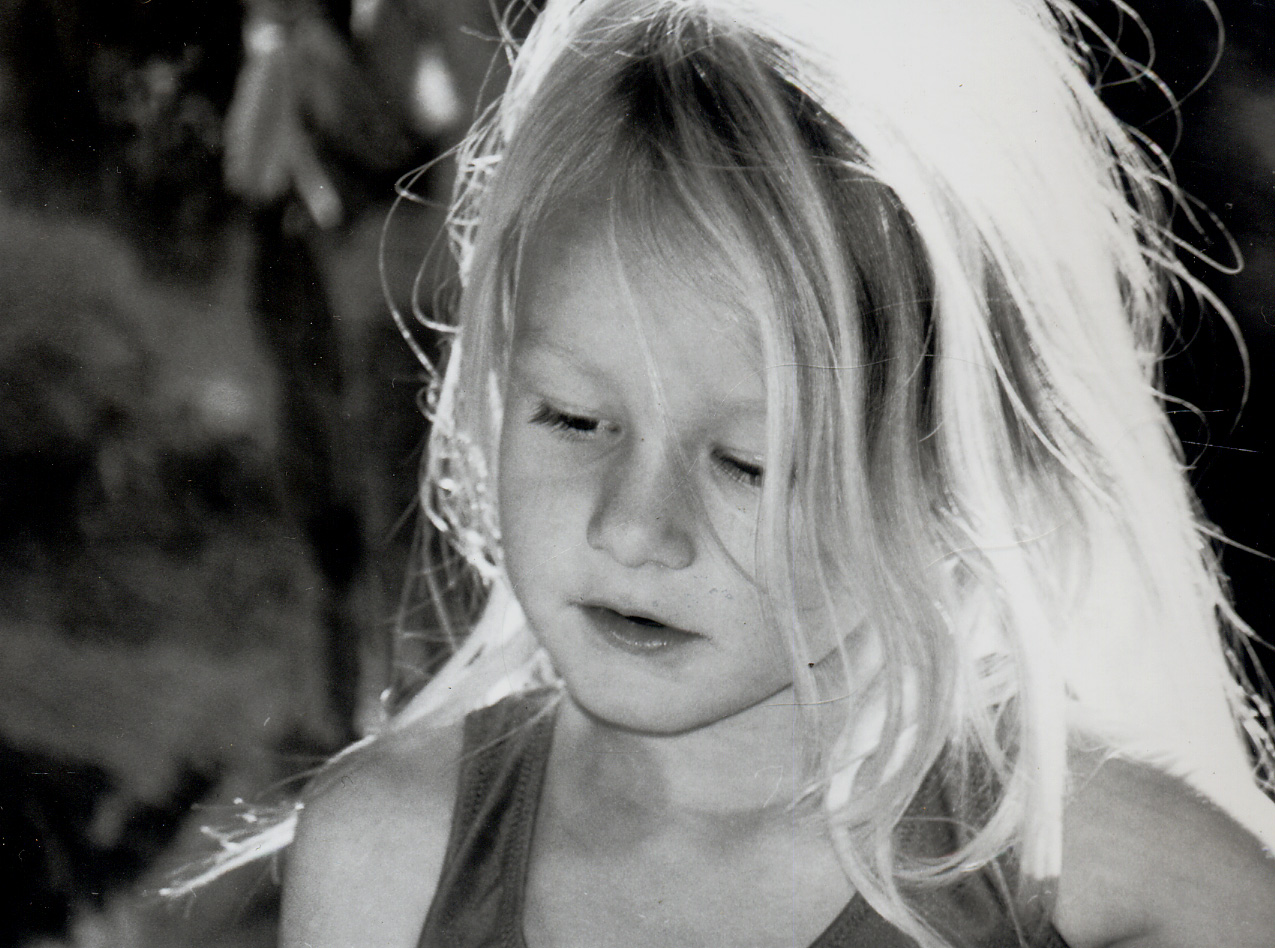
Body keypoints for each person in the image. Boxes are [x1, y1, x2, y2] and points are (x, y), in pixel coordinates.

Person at [270, 0, 1275, 945]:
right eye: (575, 419)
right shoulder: (383, 863)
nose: (633, 529)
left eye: (753, 463)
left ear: (947, 463)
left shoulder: (1124, 883)